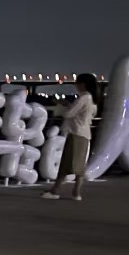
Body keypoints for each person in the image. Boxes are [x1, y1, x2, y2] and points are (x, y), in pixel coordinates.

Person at [42, 73, 98, 201]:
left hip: (76, 133)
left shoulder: (84, 97)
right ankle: (76, 193)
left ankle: (55, 191)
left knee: (66, 164)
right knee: (79, 165)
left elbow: (69, 114)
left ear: (83, 84)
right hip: (85, 134)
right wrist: (68, 104)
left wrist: (61, 107)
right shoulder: (92, 99)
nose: (76, 85)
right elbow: (84, 114)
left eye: (77, 83)